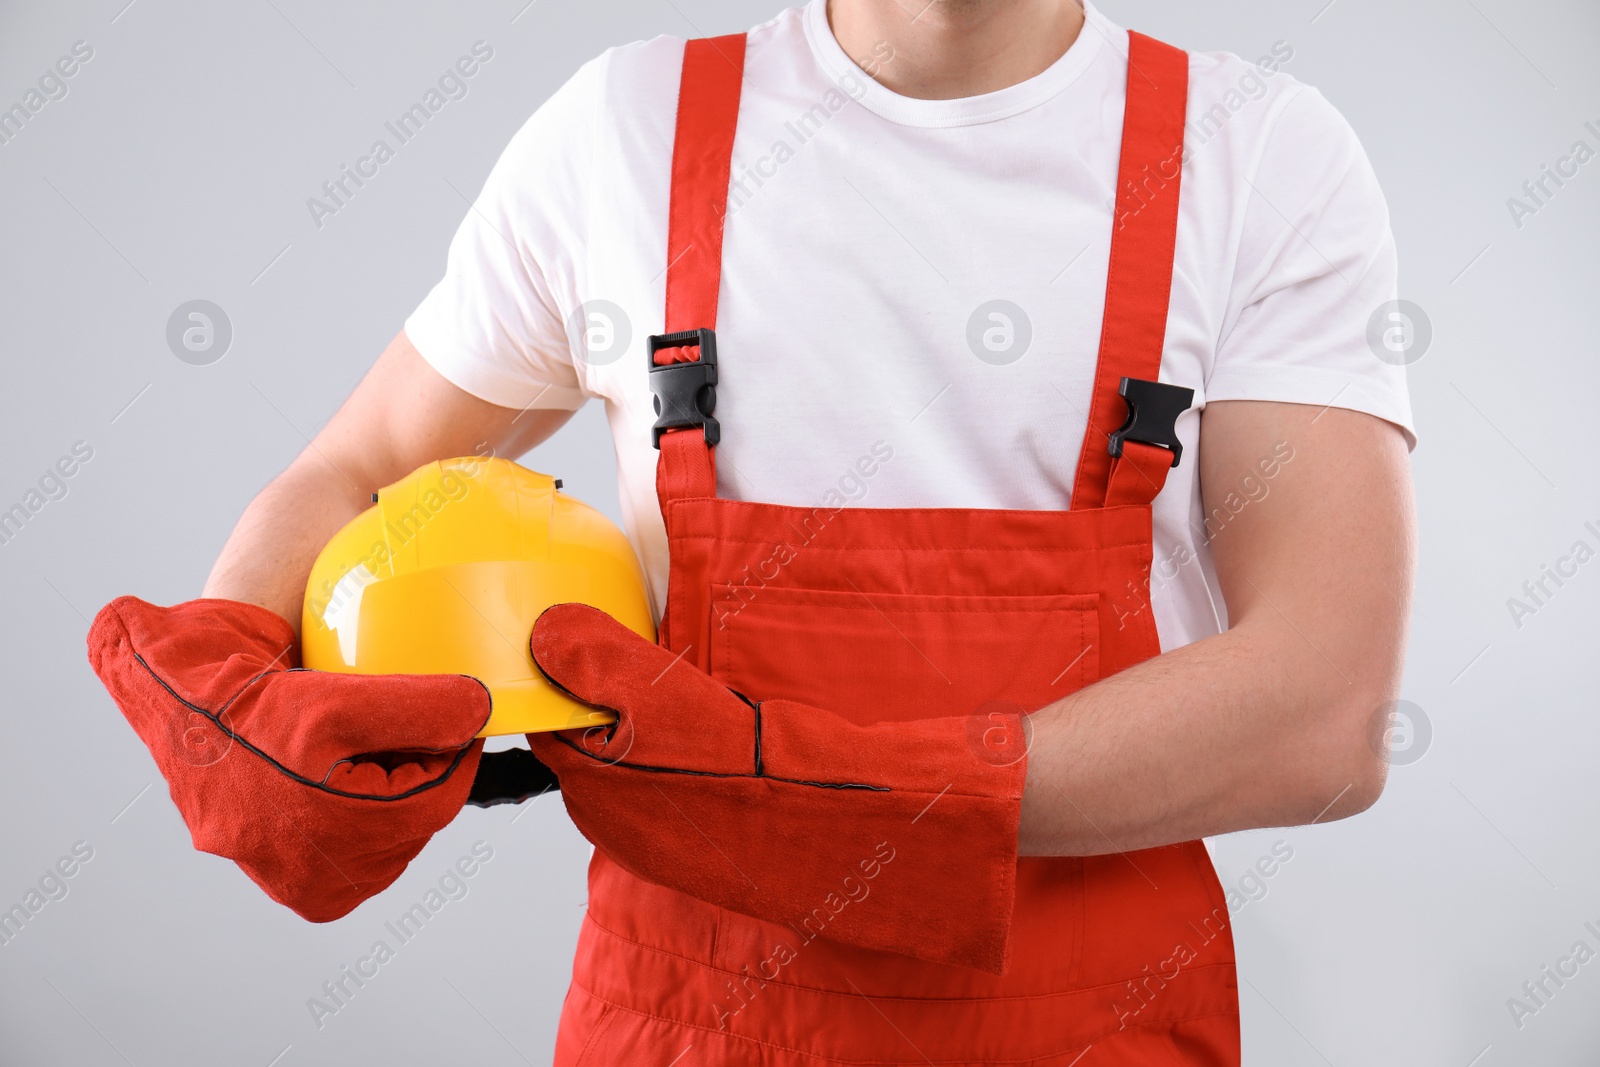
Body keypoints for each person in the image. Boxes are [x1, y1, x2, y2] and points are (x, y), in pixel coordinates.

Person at [87, 1, 1417, 1063]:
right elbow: (364, 465)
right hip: (687, 1026)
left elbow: (1324, 712)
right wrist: (235, 673)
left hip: (1091, 1026)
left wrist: (806, 790)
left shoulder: (1254, 151)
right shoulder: (628, 128)